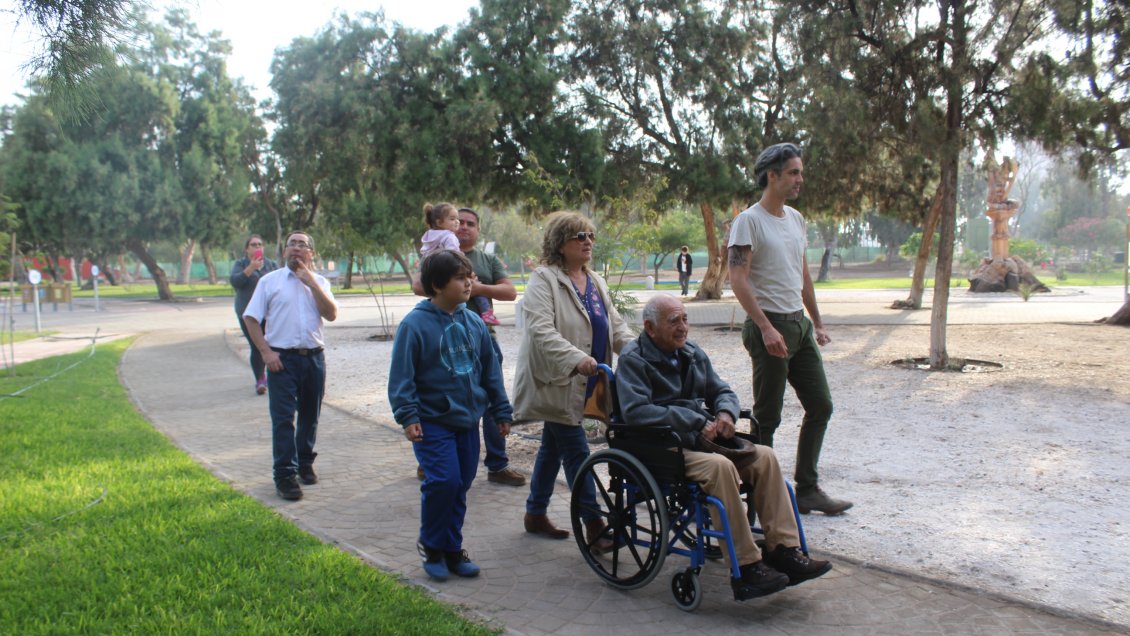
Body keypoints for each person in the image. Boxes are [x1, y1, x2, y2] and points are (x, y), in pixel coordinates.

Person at [615, 294, 832, 600]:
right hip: (660, 448)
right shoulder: (633, 359)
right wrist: (691, 419)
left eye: (685, 319)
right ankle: (746, 567)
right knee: (721, 467)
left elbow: (721, 390)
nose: (683, 327)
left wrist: (725, 413)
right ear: (650, 328)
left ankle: (783, 550)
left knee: (765, 457)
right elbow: (636, 412)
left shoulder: (691, 352)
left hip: (698, 439)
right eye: (673, 321)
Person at [727, 143, 852, 515]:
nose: (800, 179)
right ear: (773, 175)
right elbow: (738, 279)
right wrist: (765, 327)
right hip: (770, 327)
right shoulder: (748, 221)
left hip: (798, 326)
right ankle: (760, 494)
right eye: (794, 172)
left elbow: (803, 276)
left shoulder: (796, 219)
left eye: (800, 172)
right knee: (768, 417)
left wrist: (819, 321)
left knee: (821, 406)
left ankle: (808, 489)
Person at [389, 250, 514, 581]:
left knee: (461, 484)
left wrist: (500, 409)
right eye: (461, 277)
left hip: (467, 422)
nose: (469, 283)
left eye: (470, 276)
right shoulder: (414, 325)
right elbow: (402, 378)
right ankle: (431, 545)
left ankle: (452, 548)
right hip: (432, 421)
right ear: (437, 284)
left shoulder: (473, 321)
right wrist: (408, 415)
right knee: (443, 481)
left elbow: (491, 372)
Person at [512, 211, 633, 549]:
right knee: (577, 452)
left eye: (590, 236)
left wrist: (640, 351)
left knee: (553, 447)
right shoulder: (543, 279)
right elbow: (540, 329)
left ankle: (535, 513)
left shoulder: (596, 281)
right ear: (560, 244)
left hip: (589, 380)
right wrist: (575, 358)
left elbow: (615, 326)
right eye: (579, 236)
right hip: (558, 379)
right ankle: (593, 523)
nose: (588, 242)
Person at [410, 207, 525, 487]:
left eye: (469, 223)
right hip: (444, 342)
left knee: (488, 396)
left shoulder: (486, 259)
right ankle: (437, 460)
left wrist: (478, 288)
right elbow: (418, 286)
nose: (463, 227)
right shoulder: (438, 255)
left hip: (483, 337)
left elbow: (510, 292)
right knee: (446, 396)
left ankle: (497, 464)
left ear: (477, 229)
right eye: (457, 221)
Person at [243, 231, 338, 501]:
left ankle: (305, 462)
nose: (296, 248)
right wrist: (266, 352)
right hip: (281, 361)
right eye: (291, 244)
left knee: (310, 415)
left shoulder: (319, 282)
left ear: (312, 253)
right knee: (284, 418)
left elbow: (330, 314)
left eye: (302, 245)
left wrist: (310, 282)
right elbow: (251, 319)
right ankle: (284, 475)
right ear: (284, 251)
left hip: (314, 358)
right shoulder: (269, 282)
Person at [420, 202, 499, 326]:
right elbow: (453, 255)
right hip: (451, 268)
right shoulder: (449, 236)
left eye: (470, 224)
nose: (459, 224)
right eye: (453, 219)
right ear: (440, 222)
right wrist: (466, 272)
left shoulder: (429, 237)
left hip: (436, 271)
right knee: (473, 282)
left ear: (478, 229)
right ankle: (486, 312)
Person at [230, 234, 278, 395]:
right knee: (257, 346)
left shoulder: (271, 265)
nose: (258, 247)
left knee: (271, 344)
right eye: (253, 245)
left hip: (269, 313)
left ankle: (273, 376)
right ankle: (260, 380)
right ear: (247, 249)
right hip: (247, 313)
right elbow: (235, 281)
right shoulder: (241, 264)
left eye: (260, 244)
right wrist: (251, 268)